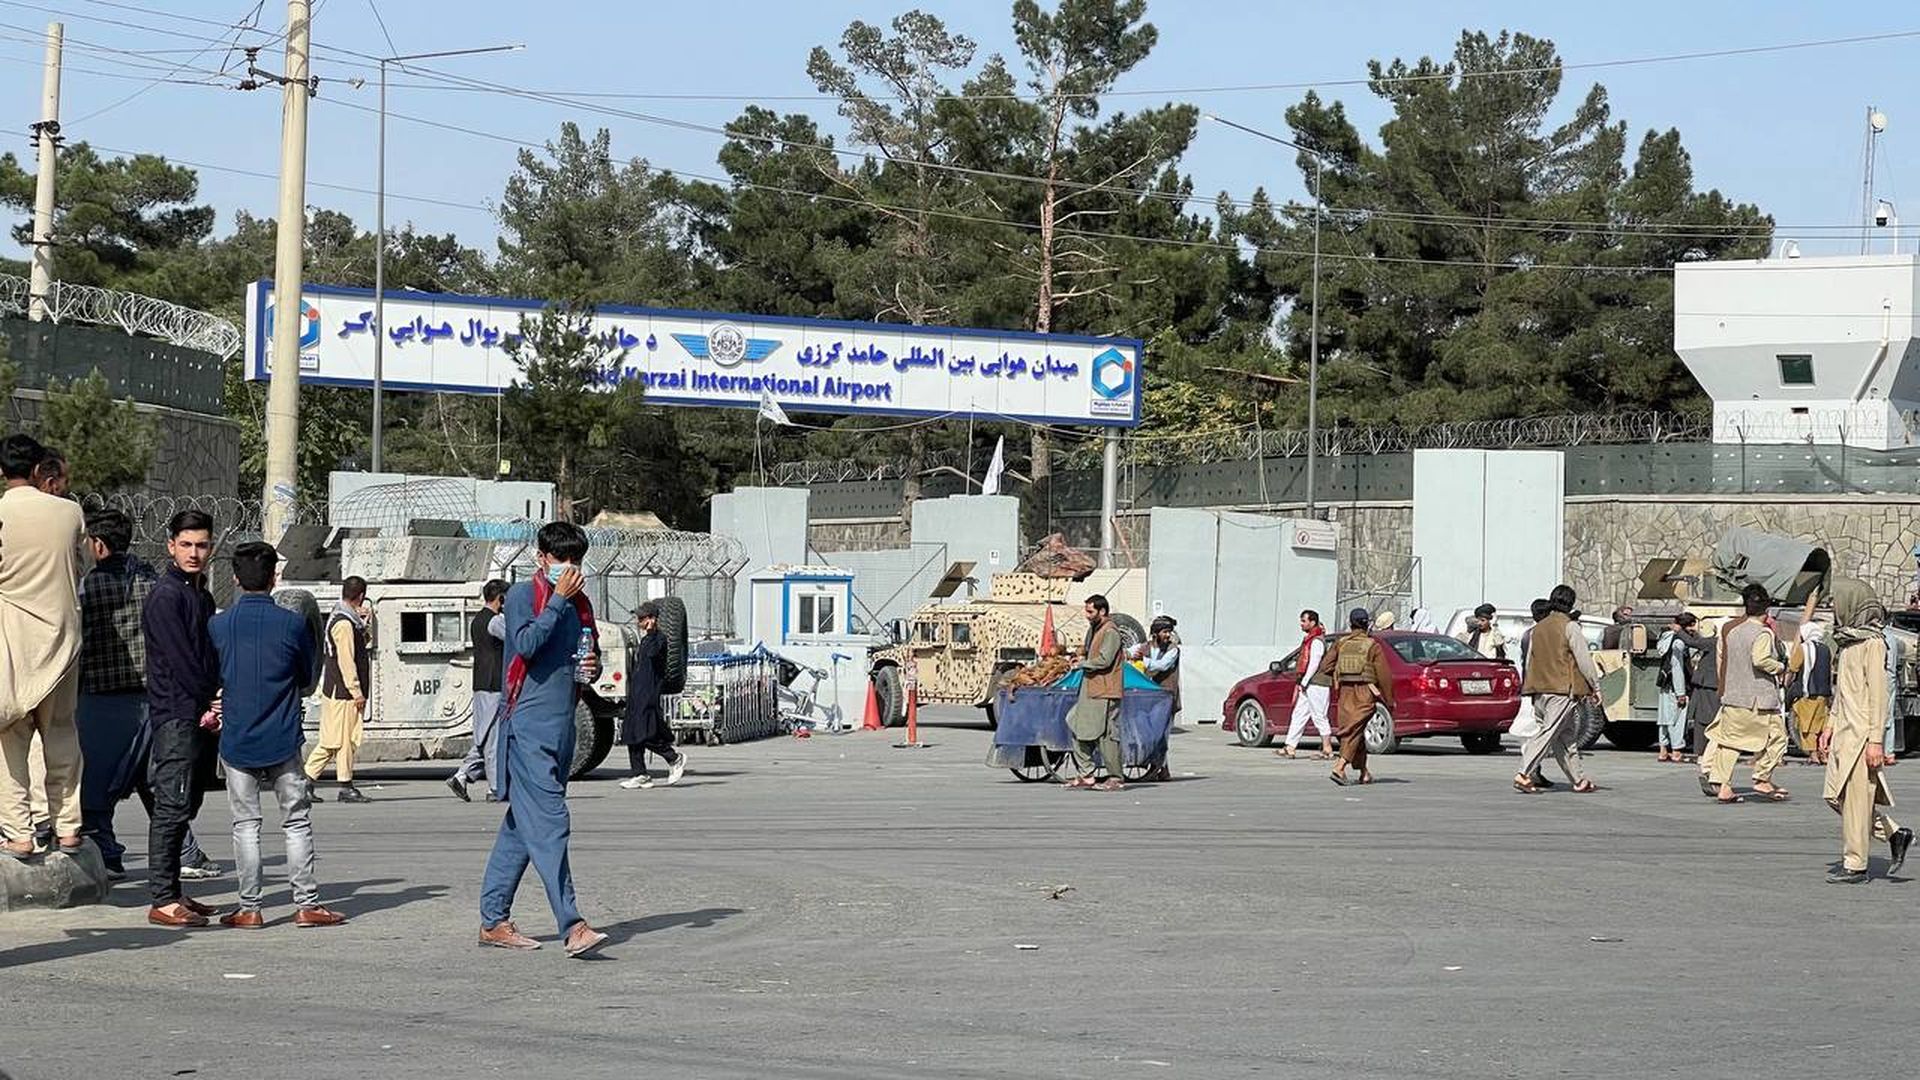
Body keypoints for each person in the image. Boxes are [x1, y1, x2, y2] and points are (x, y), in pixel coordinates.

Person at [478, 522, 609, 957]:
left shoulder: (582, 605)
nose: (569, 569)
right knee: (551, 821)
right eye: (561, 560)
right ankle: (573, 925)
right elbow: (526, 644)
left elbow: (586, 658)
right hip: (528, 725)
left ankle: (493, 919)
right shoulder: (523, 596)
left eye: (576, 561)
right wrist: (555, 602)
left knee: (524, 826)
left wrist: (592, 664)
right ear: (542, 559)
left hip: (563, 724)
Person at [210, 541, 345, 928]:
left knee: (245, 824)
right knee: (296, 821)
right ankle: (306, 903)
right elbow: (306, 676)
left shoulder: (219, 626)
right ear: (275, 577)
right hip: (283, 735)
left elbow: (213, 675)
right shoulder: (291, 623)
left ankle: (249, 907)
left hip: (237, 738)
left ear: (235, 578)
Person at [74, 507, 210, 878]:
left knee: (96, 784)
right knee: (158, 781)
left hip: (102, 696)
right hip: (154, 696)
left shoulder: (89, 587)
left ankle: (107, 853)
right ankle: (186, 851)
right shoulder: (152, 581)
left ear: (98, 545)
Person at [0, 434, 89, 860]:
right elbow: (78, 565)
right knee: (60, 732)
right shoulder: (69, 511)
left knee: (10, 737)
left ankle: (19, 832)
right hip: (63, 640)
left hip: (11, 640)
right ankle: (68, 827)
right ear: (39, 470)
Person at [144, 509, 227, 927]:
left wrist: (215, 700)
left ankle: (175, 890)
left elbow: (208, 655)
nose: (195, 553)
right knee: (172, 804)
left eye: (202, 545)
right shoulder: (166, 596)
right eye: (187, 545)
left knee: (189, 801)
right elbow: (181, 661)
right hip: (177, 712)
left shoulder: (201, 594)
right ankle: (162, 897)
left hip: (199, 712)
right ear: (171, 546)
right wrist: (209, 700)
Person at [1821, 578, 1913, 883]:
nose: (1835, 608)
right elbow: (1842, 692)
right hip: (1844, 732)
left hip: (1861, 735)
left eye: (1838, 602)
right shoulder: (1847, 641)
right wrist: (1829, 725)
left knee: (1857, 800)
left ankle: (1855, 864)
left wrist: (1876, 741)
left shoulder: (1873, 643)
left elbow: (1877, 695)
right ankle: (1894, 832)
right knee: (1836, 798)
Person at [1703, 584, 1792, 805]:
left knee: (1729, 743)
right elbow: (1760, 659)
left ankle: (1722, 785)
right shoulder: (1763, 633)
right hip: (1758, 700)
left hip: (1734, 696)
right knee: (1778, 738)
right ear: (1767, 610)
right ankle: (1762, 777)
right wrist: (1780, 667)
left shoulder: (1733, 631)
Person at [1513, 584, 1600, 795]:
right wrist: (1595, 686)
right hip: (1561, 690)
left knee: (1567, 737)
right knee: (1549, 732)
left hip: (1539, 689)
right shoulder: (1570, 626)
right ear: (1570, 604)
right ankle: (1524, 773)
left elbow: (1529, 661)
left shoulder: (1537, 628)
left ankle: (1578, 780)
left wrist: (1530, 687)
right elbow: (1584, 659)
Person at [1314, 607, 1395, 787]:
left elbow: (1325, 665)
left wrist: (1338, 674)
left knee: (1352, 730)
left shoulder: (1340, 643)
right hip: (1365, 693)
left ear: (1350, 624)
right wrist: (1389, 700)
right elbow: (1384, 675)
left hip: (1345, 693)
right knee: (1353, 731)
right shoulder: (1372, 646)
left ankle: (1364, 772)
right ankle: (1340, 767)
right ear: (1367, 625)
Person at [448, 579, 509, 802]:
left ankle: (462, 775)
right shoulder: (495, 622)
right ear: (500, 598)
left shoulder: (478, 620)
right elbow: (516, 639)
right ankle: (494, 788)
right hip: (494, 684)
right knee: (492, 738)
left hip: (482, 683)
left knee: (484, 735)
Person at [618, 600, 688, 790]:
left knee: (644, 733)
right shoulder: (646, 640)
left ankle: (673, 757)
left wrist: (652, 631)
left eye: (642, 618)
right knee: (631, 733)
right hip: (636, 692)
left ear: (651, 619)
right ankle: (639, 773)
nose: (639, 622)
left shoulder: (659, 639)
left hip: (648, 693)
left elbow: (653, 654)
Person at [1064, 594, 1127, 792]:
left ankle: (1115, 778)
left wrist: (1082, 664)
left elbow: (1104, 660)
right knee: (1075, 723)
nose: (1087, 615)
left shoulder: (1110, 632)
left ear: (1102, 611)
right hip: (1091, 688)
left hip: (1105, 690)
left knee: (1106, 735)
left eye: (1090, 611)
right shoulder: (1095, 629)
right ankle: (1086, 774)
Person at [1279, 609, 1333, 760]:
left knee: (1319, 716)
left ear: (1313, 622)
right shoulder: (1309, 639)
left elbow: (1314, 663)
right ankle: (1290, 747)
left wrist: (1304, 682)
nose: (1301, 624)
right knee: (1299, 714)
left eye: (1304, 621)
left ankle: (1327, 749)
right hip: (1308, 684)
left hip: (1317, 683)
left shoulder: (1317, 641)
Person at [1131, 615, 1179, 781]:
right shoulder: (1145, 647)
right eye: (1165, 632)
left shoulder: (1173, 649)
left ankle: (1160, 768)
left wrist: (1142, 660)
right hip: (1147, 699)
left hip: (1165, 698)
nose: (1168, 635)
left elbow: (1162, 665)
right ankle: (1160, 768)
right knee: (1149, 734)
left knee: (1162, 735)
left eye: (1169, 632)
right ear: (1155, 633)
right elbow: (1130, 652)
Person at [1674, 615, 1722, 772]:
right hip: (1707, 685)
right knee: (1703, 718)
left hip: (1708, 685)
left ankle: (1703, 754)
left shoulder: (1712, 643)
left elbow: (1693, 643)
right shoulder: (1715, 642)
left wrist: (1679, 631)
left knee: (1705, 719)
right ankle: (1703, 753)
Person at [1787, 620, 1833, 765]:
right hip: (1824, 693)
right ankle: (1823, 753)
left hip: (1807, 692)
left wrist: (1786, 682)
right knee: (1820, 724)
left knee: (1807, 724)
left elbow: (1793, 667)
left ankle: (1813, 754)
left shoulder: (1803, 648)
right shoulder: (1826, 649)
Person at [1655, 614, 1694, 763]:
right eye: (1691, 625)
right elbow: (1677, 667)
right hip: (1676, 685)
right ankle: (1676, 750)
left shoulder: (1666, 638)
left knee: (1664, 718)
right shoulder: (1679, 642)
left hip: (1665, 683)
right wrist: (1681, 693)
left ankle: (1663, 750)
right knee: (1677, 718)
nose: (1693, 629)